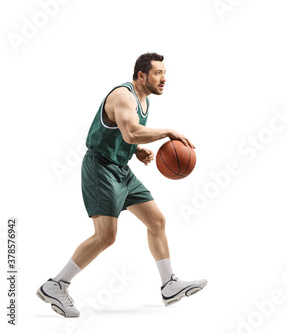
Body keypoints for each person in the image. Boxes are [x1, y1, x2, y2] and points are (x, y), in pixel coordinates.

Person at [37, 52, 207, 317]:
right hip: (101, 169)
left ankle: (169, 285)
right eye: (158, 73)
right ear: (141, 75)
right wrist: (167, 132)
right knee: (106, 236)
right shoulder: (123, 95)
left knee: (157, 222)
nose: (164, 78)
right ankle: (55, 285)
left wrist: (136, 149)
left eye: (164, 73)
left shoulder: (143, 100)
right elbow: (130, 131)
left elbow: (123, 134)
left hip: (121, 169)